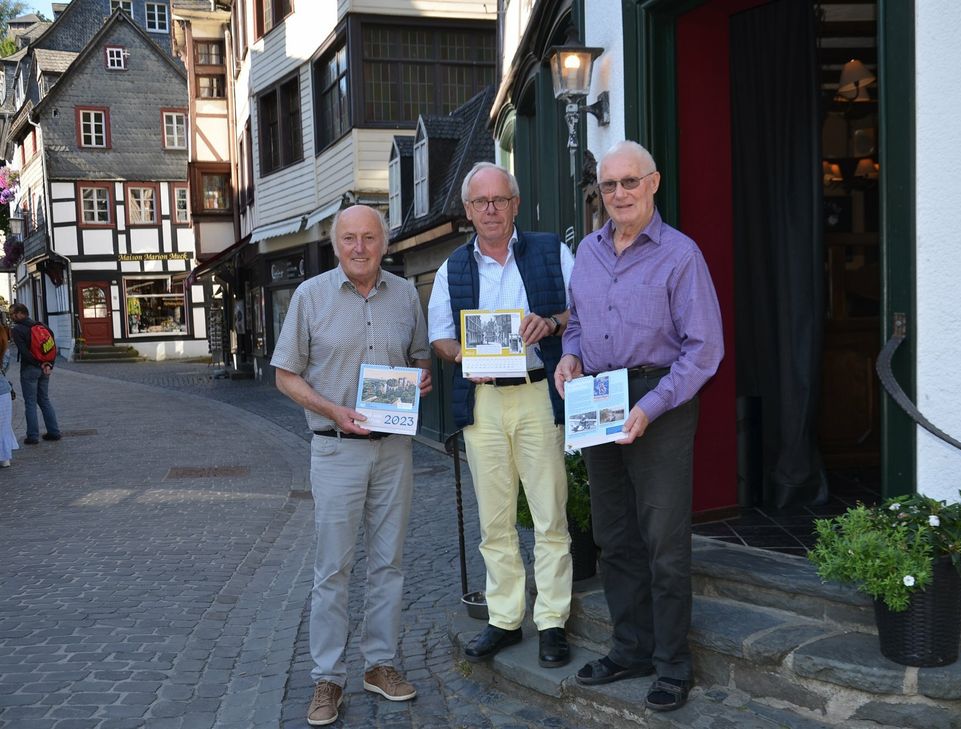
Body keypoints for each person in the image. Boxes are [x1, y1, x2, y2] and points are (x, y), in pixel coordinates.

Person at [554, 140, 724, 712]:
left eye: (630, 182)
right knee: (613, 534)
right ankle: (631, 648)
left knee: (664, 541)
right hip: (599, 396)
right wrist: (570, 355)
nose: (619, 194)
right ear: (598, 193)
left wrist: (652, 405)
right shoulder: (590, 254)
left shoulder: (681, 255)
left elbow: (704, 351)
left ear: (654, 183)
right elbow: (576, 323)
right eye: (609, 186)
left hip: (662, 399)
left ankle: (673, 664)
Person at [270, 205, 432, 727]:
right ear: (335, 244)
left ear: (384, 243)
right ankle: (328, 678)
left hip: (393, 449)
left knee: (389, 562)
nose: (358, 247)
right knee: (333, 569)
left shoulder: (406, 295)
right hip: (336, 446)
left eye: (368, 238)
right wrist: (331, 408)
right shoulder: (310, 296)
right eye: (348, 239)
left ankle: (379, 665)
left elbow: (420, 356)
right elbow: (285, 375)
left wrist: (422, 378)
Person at [427, 162, 575, 669]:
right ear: (468, 211)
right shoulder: (452, 267)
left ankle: (552, 621)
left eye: (499, 200)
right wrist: (466, 357)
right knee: (495, 520)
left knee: (550, 514)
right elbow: (441, 338)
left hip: (538, 393)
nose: (490, 210)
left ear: (514, 203)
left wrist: (552, 322)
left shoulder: (553, 251)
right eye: (480, 202)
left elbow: (585, 311)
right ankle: (505, 620)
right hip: (484, 400)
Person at [9, 303, 61, 445]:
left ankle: (32, 436)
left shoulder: (18, 329)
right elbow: (52, 346)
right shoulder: (42, 326)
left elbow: (24, 352)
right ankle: (54, 432)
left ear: (21, 313)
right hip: (45, 369)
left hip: (30, 369)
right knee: (44, 399)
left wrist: (38, 364)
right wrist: (49, 364)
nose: (11, 317)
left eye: (13, 314)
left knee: (30, 402)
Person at [0, 322, 19, 467]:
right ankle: (5, 457)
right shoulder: (4, 348)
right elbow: (5, 368)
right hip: (3, 391)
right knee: (4, 425)